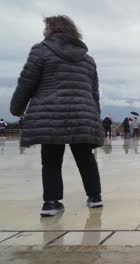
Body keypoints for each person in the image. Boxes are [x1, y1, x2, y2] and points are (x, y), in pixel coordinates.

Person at [9, 15, 104, 216]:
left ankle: (51, 203)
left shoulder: (41, 50)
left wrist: (17, 108)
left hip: (50, 112)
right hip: (82, 113)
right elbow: (93, 93)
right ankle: (95, 197)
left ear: (51, 30)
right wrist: (94, 116)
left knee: (51, 158)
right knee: (85, 157)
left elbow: (27, 81)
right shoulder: (88, 59)